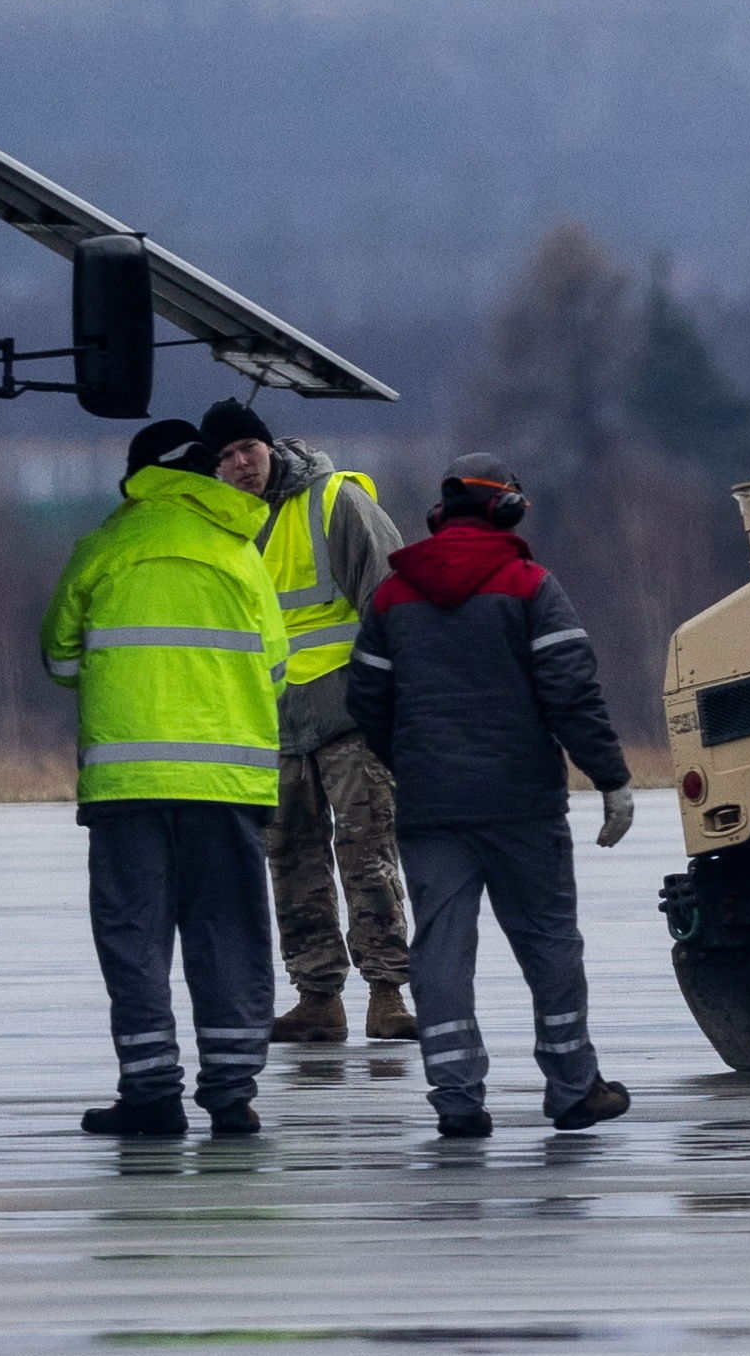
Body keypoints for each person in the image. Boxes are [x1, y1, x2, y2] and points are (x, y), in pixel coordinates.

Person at [346, 451, 638, 1138]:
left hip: (431, 808)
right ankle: (572, 1088)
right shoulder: (530, 586)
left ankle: (456, 1099)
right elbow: (571, 692)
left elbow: (366, 699)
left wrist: (413, 760)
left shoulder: (392, 595)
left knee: (441, 952)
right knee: (549, 946)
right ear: (506, 508)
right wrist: (612, 777)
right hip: (523, 806)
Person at [41, 401, 293, 1138]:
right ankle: (231, 1094)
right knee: (231, 937)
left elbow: (59, 659)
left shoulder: (104, 547)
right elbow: (276, 670)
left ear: (137, 480)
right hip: (228, 787)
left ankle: (151, 1091)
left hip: (128, 787)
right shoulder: (240, 554)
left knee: (134, 938)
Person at [236, 406, 415, 1047]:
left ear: (269, 446)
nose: (240, 464)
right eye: (225, 455)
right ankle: (318, 997)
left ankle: (388, 993)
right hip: (272, 722)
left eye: (248, 448)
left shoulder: (334, 502)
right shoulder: (223, 526)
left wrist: (387, 700)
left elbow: (390, 600)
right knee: (290, 861)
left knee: (369, 855)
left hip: (348, 716)